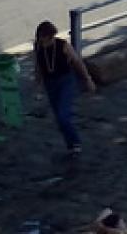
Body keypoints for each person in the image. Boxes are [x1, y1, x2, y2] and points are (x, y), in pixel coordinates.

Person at [33, 20, 96, 156]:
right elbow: (38, 67)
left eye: (43, 38)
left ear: (50, 36)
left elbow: (77, 62)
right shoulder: (38, 47)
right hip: (50, 84)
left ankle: (76, 142)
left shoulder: (63, 45)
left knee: (63, 116)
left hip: (65, 81)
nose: (41, 41)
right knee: (59, 118)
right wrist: (38, 87)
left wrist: (87, 79)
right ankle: (71, 145)